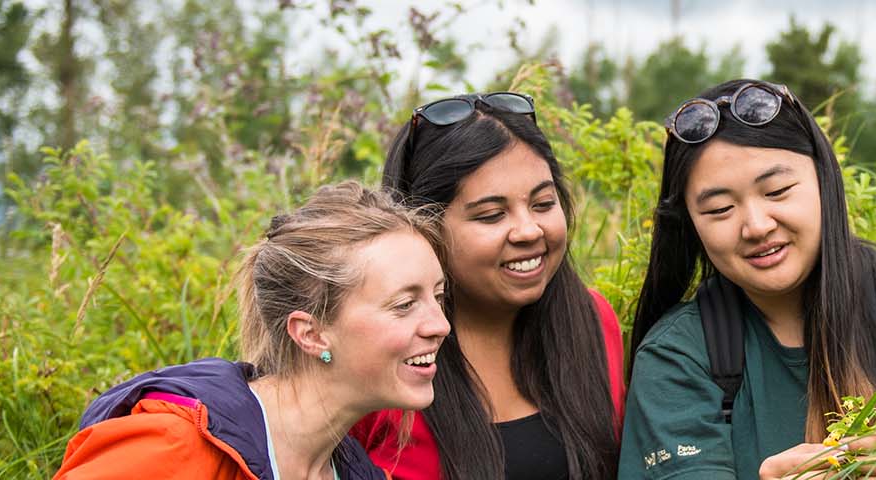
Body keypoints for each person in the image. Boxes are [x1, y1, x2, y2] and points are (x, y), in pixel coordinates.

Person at [619, 80, 876, 480]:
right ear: (690, 225)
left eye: (778, 190)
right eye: (720, 209)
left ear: (825, 180)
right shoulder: (677, 357)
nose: (756, 226)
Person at [55, 181, 452, 480]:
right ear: (310, 334)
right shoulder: (175, 446)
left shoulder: (357, 472)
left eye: (438, 297)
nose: (440, 325)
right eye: (404, 305)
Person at [350, 91, 622, 480]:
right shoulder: (377, 351)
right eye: (492, 215)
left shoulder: (593, 321)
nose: (529, 230)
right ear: (424, 228)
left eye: (543, 204)